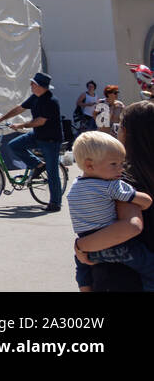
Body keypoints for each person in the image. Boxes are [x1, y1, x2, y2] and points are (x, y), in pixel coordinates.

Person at [78, 101, 154, 290]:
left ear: (126, 133)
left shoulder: (121, 179)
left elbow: (131, 225)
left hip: (121, 278)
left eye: (120, 126)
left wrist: (81, 246)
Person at [0, 71, 64, 212]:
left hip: (51, 140)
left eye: (33, 83)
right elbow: (20, 108)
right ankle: (36, 164)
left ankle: (55, 203)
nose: (31, 85)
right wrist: (1, 118)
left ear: (40, 86)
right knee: (14, 145)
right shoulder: (35, 97)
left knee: (52, 172)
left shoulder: (51, 101)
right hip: (37, 136)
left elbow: (40, 121)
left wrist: (21, 125)